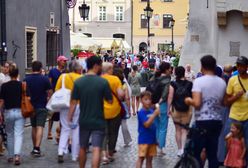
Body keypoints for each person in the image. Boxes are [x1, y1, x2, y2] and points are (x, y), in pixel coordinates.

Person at [68, 56, 113, 168]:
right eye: (100, 66)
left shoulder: (78, 82)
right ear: (96, 66)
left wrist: (69, 117)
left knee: (83, 147)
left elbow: (73, 103)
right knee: (97, 148)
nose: (101, 69)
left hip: (84, 120)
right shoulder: (103, 82)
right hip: (98, 120)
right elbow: (110, 100)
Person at [185, 55, 226, 168]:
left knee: (197, 152)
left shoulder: (199, 81)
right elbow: (224, 102)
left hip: (202, 121)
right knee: (212, 153)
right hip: (217, 121)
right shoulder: (221, 82)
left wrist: (189, 100)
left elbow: (197, 104)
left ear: (202, 66)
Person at [56, 60, 82, 163]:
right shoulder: (80, 78)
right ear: (77, 69)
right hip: (77, 105)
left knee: (65, 129)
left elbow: (57, 90)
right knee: (76, 130)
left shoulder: (62, 77)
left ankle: (61, 151)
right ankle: (75, 155)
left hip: (64, 105)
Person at [24, 61, 52, 157]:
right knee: (40, 127)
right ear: (40, 69)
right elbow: (50, 92)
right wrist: (48, 99)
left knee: (33, 127)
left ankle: (34, 147)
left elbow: (24, 93)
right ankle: (37, 148)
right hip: (42, 105)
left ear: (32, 68)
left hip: (31, 106)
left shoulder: (26, 79)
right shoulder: (45, 79)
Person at [225, 56, 248, 163]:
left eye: (242, 65)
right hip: (234, 117)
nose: (239, 68)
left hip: (247, 118)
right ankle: (231, 163)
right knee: (231, 143)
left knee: (246, 143)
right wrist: (236, 97)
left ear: (246, 67)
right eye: (238, 65)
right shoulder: (232, 80)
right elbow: (226, 101)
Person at [0, 65, 25, 165]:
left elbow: (1, 101)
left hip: (8, 112)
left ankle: (10, 156)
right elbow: (28, 98)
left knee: (9, 134)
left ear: (9, 74)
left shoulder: (4, 86)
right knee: (18, 134)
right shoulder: (22, 85)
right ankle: (17, 156)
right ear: (17, 74)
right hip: (20, 112)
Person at [101, 62, 124, 164]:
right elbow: (120, 95)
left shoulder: (99, 79)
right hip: (115, 110)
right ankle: (110, 153)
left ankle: (104, 155)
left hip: (101, 111)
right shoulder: (115, 79)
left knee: (103, 133)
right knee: (113, 133)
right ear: (110, 69)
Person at [168, 66, 193, 157]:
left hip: (176, 110)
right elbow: (192, 97)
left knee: (177, 130)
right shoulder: (190, 84)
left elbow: (170, 98)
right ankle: (183, 149)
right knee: (185, 130)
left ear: (175, 73)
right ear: (184, 73)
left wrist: (168, 109)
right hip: (187, 109)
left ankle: (179, 150)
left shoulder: (173, 84)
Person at [136, 91, 160, 168]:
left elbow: (153, 126)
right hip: (144, 140)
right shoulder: (141, 112)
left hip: (151, 140)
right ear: (141, 101)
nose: (148, 101)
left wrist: (156, 139)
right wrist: (154, 115)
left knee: (150, 160)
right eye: (145, 99)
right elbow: (146, 124)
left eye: (149, 99)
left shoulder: (151, 111)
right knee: (141, 158)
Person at [47, 55, 68, 142]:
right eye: (63, 61)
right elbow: (49, 83)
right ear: (58, 61)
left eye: (65, 61)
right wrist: (49, 95)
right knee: (51, 114)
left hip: (63, 96)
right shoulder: (52, 71)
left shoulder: (66, 72)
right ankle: (49, 132)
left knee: (62, 115)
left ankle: (60, 133)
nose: (65, 62)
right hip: (54, 95)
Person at [153, 62, 171, 156]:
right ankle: (160, 149)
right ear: (166, 69)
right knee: (163, 127)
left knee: (156, 126)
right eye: (169, 68)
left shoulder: (155, 78)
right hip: (162, 105)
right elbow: (165, 94)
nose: (171, 70)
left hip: (153, 104)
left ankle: (155, 147)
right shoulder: (167, 80)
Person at [113, 66, 132, 147]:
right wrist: (129, 109)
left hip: (113, 104)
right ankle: (127, 140)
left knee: (113, 126)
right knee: (124, 123)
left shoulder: (111, 82)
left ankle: (112, 142)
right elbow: (127, 97)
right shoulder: (124, 85)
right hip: (123, 105)